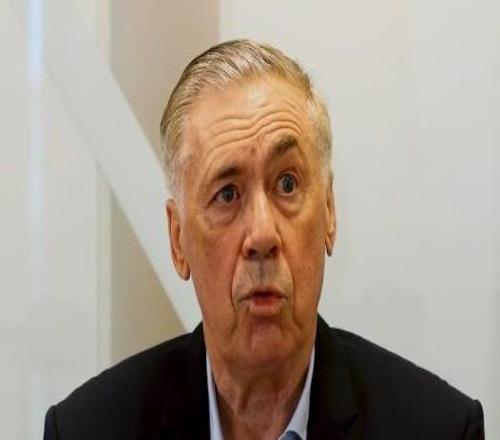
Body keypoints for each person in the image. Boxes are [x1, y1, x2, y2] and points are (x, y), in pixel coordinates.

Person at [43, 39, 484, 440]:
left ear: (329, 212)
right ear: (178, 241)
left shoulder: (440, 429)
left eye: (287, 184)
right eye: (227, 194)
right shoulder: (86, 430)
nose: (262, 235)